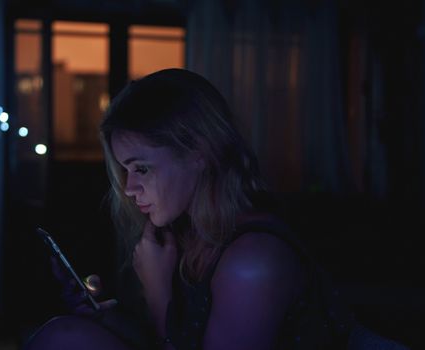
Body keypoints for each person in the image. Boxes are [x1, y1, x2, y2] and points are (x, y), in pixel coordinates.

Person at [24, 68, 361, 349]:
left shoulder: (253, 262)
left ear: (199, 153)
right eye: (125, 170)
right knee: (65, 333)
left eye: (141, 168)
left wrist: (159, 295)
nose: (128, 188)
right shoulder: (191, 234)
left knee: (63, 338)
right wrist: (104, 318)